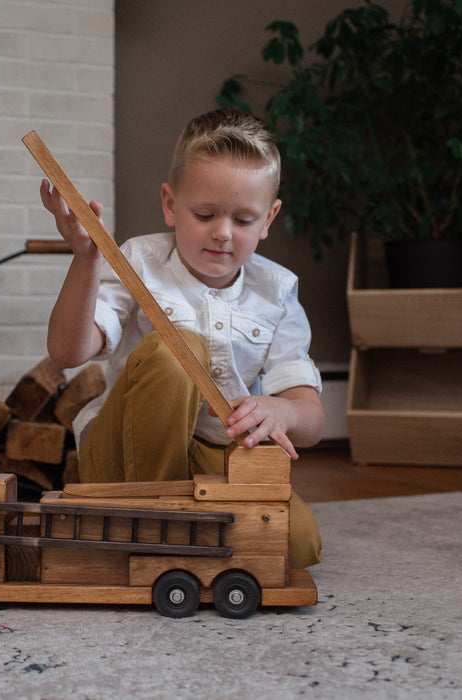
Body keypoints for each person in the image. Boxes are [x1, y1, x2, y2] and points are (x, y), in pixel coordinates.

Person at [39, 108, 323, 567]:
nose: (224, 233)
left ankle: (179, 535)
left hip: (214, 454)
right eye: (205, 213)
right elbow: (67, 352)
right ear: (171, 205)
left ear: (269, 218)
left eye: (245, 220)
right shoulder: (139, 260)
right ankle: (159, 529)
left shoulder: (277, 291)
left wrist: (282, 409)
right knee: (182, 347)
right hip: (123, 457)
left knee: (299, 543)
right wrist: (86, 259)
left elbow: (312, 420)